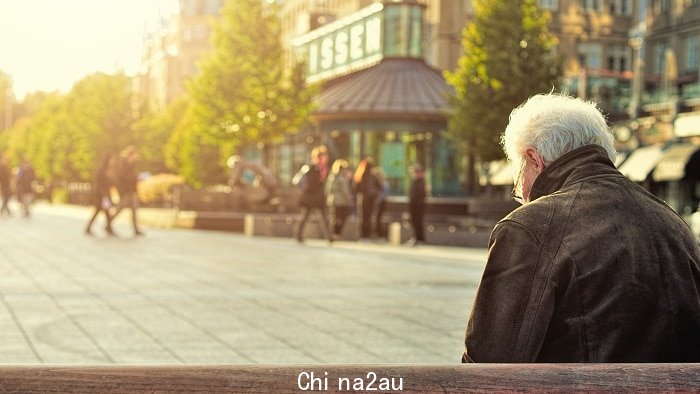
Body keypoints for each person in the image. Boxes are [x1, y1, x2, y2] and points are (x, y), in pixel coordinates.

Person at [462, 93, 700, 363]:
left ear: (534, 160)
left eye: (517, 180)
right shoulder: (672, 222)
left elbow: (489, 363)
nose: (521, 194)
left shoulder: (530, 227)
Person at [294, 145, 332, 243]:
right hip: (311, 197)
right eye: (324, 156)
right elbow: (310, 183)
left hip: (319, 197)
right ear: (319, 157)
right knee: (306, 216)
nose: (326, 158)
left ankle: (329, 237)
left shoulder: (324, 168)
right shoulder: (312, 168)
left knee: (324, 217)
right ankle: (298, 235)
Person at [111, 147, 144, 236]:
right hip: (125, 191)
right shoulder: (122, 164)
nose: (135, 158)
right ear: (130, 155)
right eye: (134, 156)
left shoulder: (131, 165)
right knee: (120, 208)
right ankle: (108, 223)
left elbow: (133, 178)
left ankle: (136, 229)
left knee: (134, 209)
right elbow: (121, 178)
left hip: (131, 191)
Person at [85, 153, 116, 236]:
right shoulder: (102, 170)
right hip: (101, 195)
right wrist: (103, 193)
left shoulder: (107, 169)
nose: (113, 161)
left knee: (104, 212)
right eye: (112, 159)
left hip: (104, 195)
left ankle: (108, 228)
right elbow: (98, 183)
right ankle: (108, 229)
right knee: (104, 211)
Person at [353, 158, 381, 240]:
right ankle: (367, 234)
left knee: (363, 217)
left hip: (362, 199)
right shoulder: (372, 176)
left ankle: (363, 234)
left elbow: (355, 188)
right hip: (370, 199)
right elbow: (379, 186)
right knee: (369, 217)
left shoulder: (360, 175)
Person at [326, 159, 353, 240]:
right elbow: (345, 191)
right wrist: (350, 199)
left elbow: (327, 189)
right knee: (341, 218)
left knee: (335, 217)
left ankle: (333, 234)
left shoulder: (331, 176)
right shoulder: (342, 178)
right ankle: (336, 234)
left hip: (332, 200)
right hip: (341, 201)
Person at [406, 164, 426, 245]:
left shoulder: (419, 182)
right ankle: (417, 238)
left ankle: (418, 239)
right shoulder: (417, 182)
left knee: (417, 222)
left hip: (417, 206)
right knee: (415, 222)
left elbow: (418, 196)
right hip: (416, 206)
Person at [372, 166, 389, 239]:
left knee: (379, 218)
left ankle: (380, 234)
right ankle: (378, 233)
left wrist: (377, 201)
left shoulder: (383, 183)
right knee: (377, 218)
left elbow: (384, 194)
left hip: (381, 203)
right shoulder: (380, 183)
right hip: (380, 202)